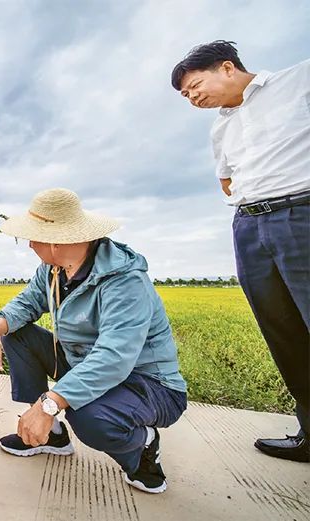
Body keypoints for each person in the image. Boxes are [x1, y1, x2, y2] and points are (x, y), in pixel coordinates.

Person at [0, 189, 188, 494]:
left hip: (147, 384)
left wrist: (48, 405)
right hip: (84, 363)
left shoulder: (125, 282)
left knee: (88, 416)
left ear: (55, 241)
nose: (30, 244)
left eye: (33, 236)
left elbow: (113, 359)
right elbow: (24, 306)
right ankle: (52, 436)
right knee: (15, 332)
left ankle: (142, 448)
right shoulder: (53, 270)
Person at [172, 41, 309, 462]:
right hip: (250, 224)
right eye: (185, 96)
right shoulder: (221, 126)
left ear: (227, 68)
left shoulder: (298, 81)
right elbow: (226, 180)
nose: (192, 98)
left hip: (301, 211)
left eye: (194, 86)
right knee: (283, 331)